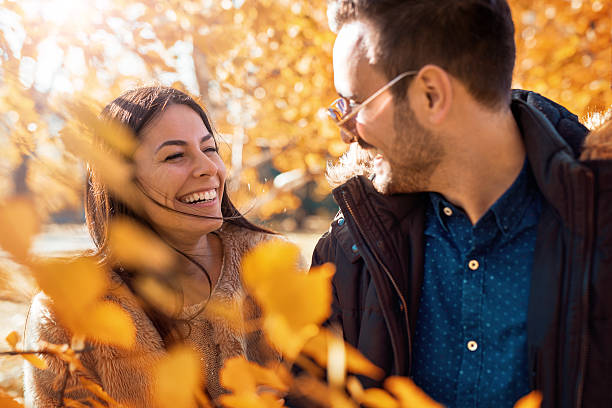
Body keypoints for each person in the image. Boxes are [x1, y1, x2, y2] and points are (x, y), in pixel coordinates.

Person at [311, 1, 611, 407]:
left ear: (431, 95)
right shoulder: (347, 256)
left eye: (355, 105)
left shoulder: (603, 231)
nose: (347, 133)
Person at [24, 86, 279, 407]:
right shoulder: (66, 314)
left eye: (210, 148)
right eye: (175, 155)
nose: (208, 168)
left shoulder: (273, 267)